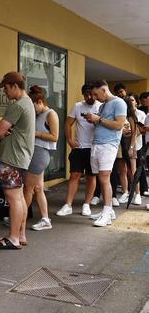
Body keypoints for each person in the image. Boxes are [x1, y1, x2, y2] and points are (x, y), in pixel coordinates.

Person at [0, 72, 35, 249]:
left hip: (12, 158)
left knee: (14, 198)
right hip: (21, 157)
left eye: (6, 88)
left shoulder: (17, 106)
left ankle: (14, 238)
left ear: (15, 86)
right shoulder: (28, 103)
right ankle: (21, 235)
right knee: (19, 197)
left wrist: (3, 132)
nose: (5, 92)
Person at [84, 80, 127, 227]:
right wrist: (93, 120)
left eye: (96, 94)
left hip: (109, 145)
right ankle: (107, 211)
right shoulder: (102, 106)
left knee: (104, 177)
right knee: (100, 178)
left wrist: (99, 119)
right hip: (97, 144)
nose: (95, 98)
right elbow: (102, 122)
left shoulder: (119, 102)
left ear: (104, 90)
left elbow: (119, 125)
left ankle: (107, 212)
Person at [56, 84, 101, 217]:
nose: (88, 97)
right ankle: (68, 205)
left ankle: (86, 204)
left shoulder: (100, 106)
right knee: (74, 175)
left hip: (94, 147)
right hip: (79, 147)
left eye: (91, 94)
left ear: (95, 93)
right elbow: (68, 124)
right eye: (85, 95)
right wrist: (69, 140)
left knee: (91, 177)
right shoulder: (77, 106)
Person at [24, 86, 59, 232]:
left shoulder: (51, 114)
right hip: (35, 153)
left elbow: (54, 136)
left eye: (34, 106)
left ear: (40, 102)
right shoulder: (38, 114)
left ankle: (18, 218)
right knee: (38, 188)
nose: (33, 110)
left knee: (28, 188)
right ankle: (45, 219)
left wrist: (36, 133)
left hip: (40, 153)